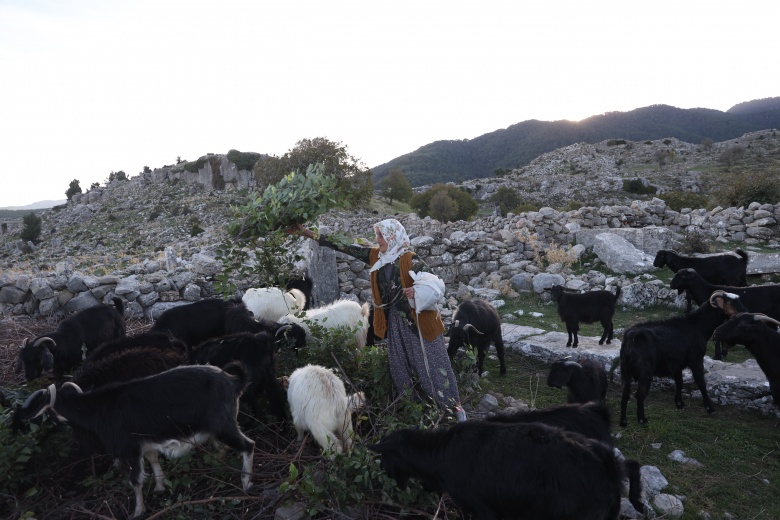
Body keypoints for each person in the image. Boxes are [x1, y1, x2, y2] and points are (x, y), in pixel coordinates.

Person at [290, 219, 467, 422]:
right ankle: (417, 411)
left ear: (393, 236)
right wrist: (308, 233)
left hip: (419, 324)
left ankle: (454, 410)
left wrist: (416, 290)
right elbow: (343, 246)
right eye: (377, 235)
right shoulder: (377, 257)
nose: (377, 240)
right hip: (395, 325)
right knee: (400, 367)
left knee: (433, 367)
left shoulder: (410, 259)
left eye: (382, 235)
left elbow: (435, 285)